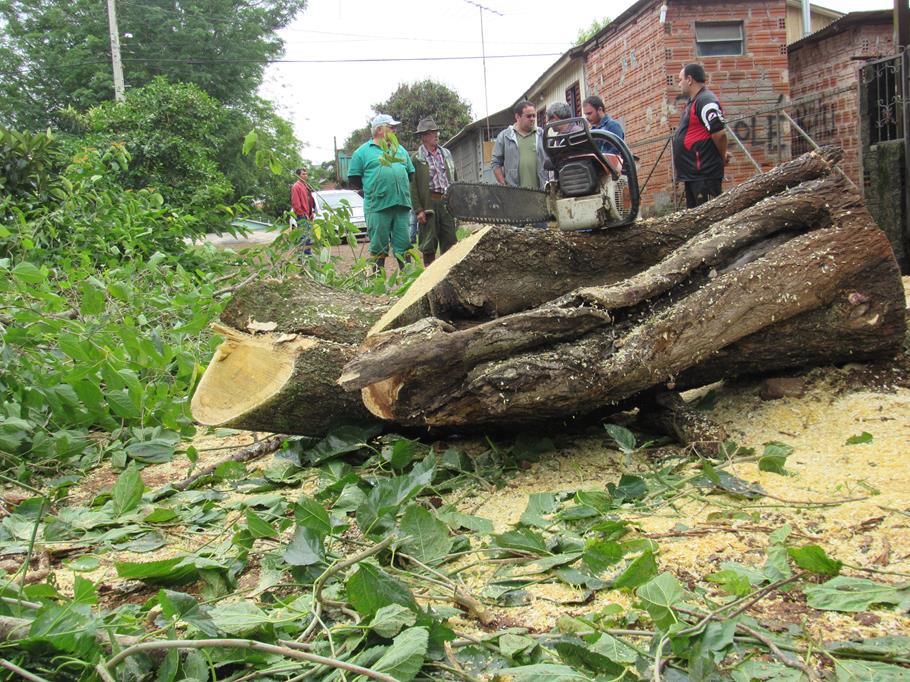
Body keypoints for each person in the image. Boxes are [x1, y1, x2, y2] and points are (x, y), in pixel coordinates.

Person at [347, 113, 416, 271]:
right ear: (379, 130)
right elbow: (354, 181)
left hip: (401, 205)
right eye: (391, 127)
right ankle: (377, 288)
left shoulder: (401, 150)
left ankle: (409, 283)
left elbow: (411, 174)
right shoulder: (362, 152)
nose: (395, 130)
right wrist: (375, 192)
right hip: (377, 207)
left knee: (404, 246)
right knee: (378, 248)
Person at [673, 63, 729, 208]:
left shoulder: (705, 100)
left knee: (709, 218)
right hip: (694, 176)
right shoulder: (694, 101)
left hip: (704, 175)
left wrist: (722, 157)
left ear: (689, 79)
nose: (679, 84)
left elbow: (719, 134)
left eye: (680, 80)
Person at [409, 117, 457, 267]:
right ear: (423, 136)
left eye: (436, 132)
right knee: (428, 244)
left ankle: (448, 275)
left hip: (446, 202)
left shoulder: (446, 154)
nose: (436, 135)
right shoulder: (417, 158)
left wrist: (457, 201)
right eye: (431, 133)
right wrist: (418, 210)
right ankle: (429, 278)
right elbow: (413, 186)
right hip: (429, 203)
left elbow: (454, 177)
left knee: (450, 242)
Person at [491, 99, 548, 190]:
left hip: (541, 192)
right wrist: (504, 186)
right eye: (529, 116)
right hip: (516, 195)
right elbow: (495, 163)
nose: (532, 119)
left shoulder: (541, 134)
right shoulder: (505, 136)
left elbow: (550, 160)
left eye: (534, 116)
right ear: (517, 117)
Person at [290, 167, 316, 253]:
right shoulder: (296, 187)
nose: (305, 176)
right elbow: (295, 204)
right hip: (302, 216)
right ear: (298, 175)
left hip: (308, 215)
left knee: (308, 236)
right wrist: (302, 214)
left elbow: (309, 200)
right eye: (303, 174)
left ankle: (305, 256)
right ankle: (306, 256)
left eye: (306, 174)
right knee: (305, 237)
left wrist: (311, 212)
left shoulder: (306, 186)